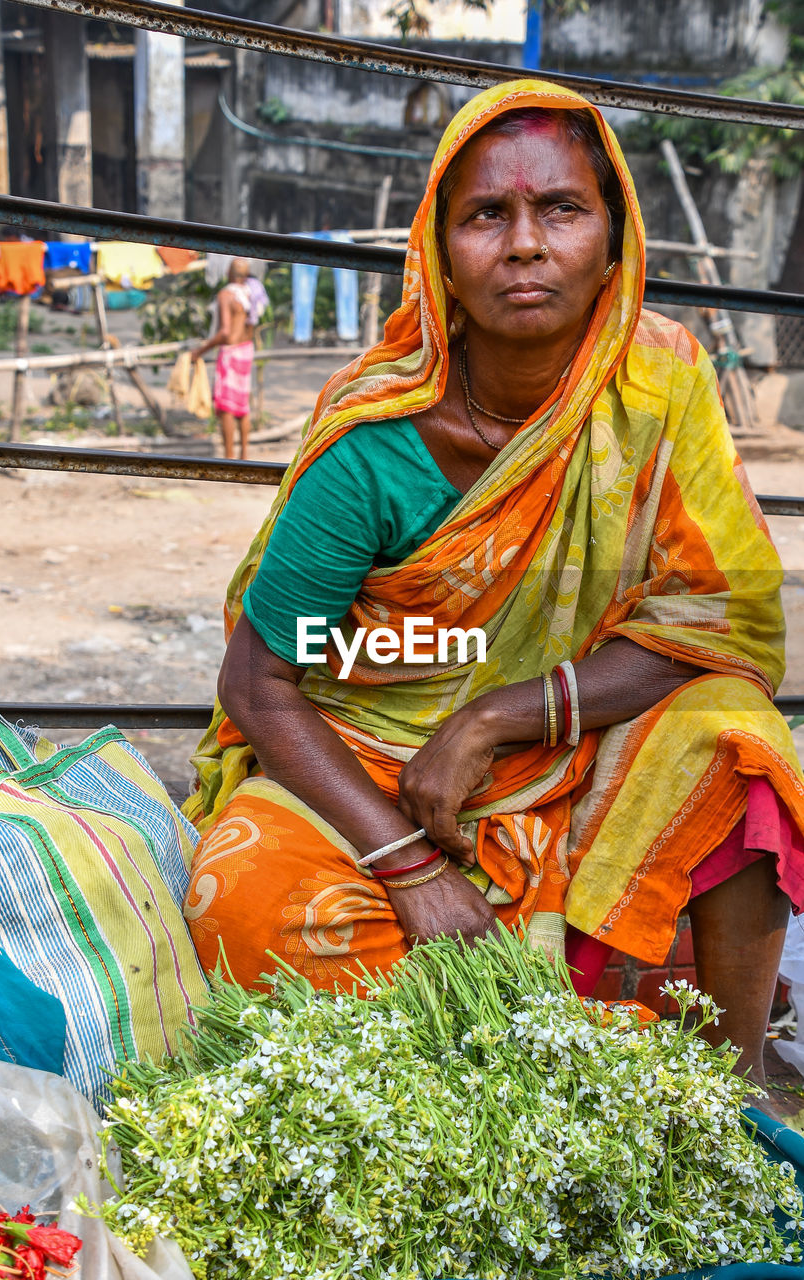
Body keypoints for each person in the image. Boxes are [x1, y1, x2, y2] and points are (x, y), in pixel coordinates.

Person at [183, 78, 804, 1097]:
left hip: (561, 759)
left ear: (614, 239)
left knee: (736, 735)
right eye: (486, 215)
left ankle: (725, 1090)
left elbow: (719, 616)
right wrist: (408, 864)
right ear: (439, 254)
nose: (523, 244)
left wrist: (499, 718)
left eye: (560, 209)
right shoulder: (376, 440)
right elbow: (260, 685)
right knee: (240, 893)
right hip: (368, 767)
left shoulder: (659, 385)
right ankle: (608, 1012)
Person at [191, 258, 265, 459]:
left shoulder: (227, 295)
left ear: (229, 274)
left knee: (226, 407)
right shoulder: (252, 293)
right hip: (246, 350)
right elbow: (250, 324)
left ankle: (230, 457)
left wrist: (200, 351)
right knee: (242, 405)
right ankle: (244, 456)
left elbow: (225, 332)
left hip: (231, 353)